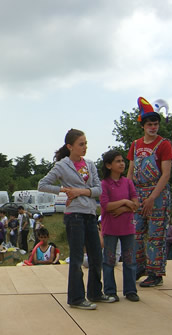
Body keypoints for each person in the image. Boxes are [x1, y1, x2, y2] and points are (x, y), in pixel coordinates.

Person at [38, 128, 115, 310]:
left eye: (86, 143)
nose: (85, 147)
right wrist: (63, 190)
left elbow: (99, 189)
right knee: (77, 258)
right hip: (74, 215)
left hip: (90, 214)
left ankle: (96, 292)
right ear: (70, 146)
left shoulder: (90, 164)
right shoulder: (62, 166)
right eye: (81, 144)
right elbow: (42, 185)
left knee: (96, 255)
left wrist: (80, 191)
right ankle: (76, 297)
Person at [127, 97, 172, 288]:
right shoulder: (136, 145)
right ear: (143, 126)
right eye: (150, 124)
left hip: (158, 195)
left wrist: (153, 197)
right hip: (138, 193)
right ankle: (140, 267)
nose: (153, 127)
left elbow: (166, 174)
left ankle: (156, 272)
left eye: (156, 124)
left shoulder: (164, 144)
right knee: (136, 233)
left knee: (156, 235)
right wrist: (130, 195)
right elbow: (130, 171)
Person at [100, 150, 140, 302]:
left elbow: (136, 203)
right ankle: (110, 291)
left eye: (122, 160)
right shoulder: (104, 184)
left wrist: (124, 207)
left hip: (127, 227)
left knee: (129, 259)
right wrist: (125, 202)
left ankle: (130, 290)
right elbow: (106, 206)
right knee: (109, 260)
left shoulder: (128, 182)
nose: (122, 163)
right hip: (111, 227)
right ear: (109, 165)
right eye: (117, 161)